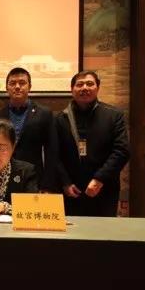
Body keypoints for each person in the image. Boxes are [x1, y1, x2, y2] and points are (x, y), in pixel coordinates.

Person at [55, 71, 130, 217]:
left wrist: (100, 179)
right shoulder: (60, 119)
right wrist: (65, 182)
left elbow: (122, 151)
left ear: (98, 88)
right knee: (71, 230)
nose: (84, 88)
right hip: (71, 191)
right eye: (80, 84)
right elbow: (54, 154)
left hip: (104, 188)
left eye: (89, 84)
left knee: (103, 229)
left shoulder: (114, 115)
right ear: (72, 89)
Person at [0, 67, 59, 192]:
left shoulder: (44, 114)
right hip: (3, 177)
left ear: (30, 86)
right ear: (6, 88)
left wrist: (47, 185)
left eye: (22, 83)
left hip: (34, 178)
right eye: (12, 83)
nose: (17, 87)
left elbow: (52, 152)